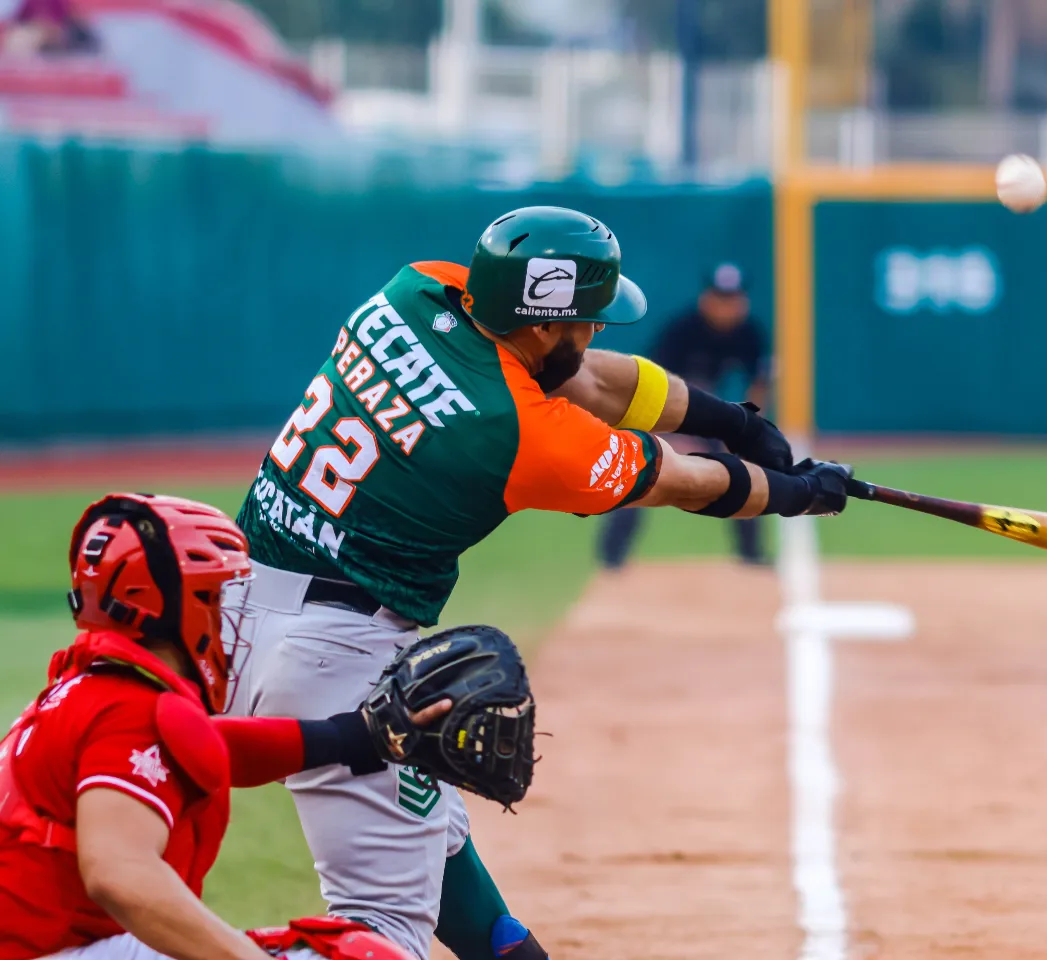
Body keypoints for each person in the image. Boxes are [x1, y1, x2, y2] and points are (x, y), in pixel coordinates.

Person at [228, 205, 852, 960]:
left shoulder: (415, 291)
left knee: (442, 844)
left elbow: (583, 376)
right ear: (539, 326)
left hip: (233, 607)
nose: (592, 334)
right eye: (584, 320)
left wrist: (736, 421)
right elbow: (683, 481)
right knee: (381, 937)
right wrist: (797, 492)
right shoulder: (524, 436)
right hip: (339, 654)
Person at [0, 493, 512, 960]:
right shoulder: (126, 711)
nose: (227, 619)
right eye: (213, 598)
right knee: (362, 955)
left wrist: (354, 736)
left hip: (52, 944)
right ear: (164, 607)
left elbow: (211, 747)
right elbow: (119, 876)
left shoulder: (90, 688)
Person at [597, 262, 771, 568]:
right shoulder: (682, 329)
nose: (727, 306)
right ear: (706, 299)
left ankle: (750, 553)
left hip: (706, 414)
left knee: (743, 468)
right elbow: (652, 384)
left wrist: (749, 429)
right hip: (659, 411)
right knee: (642, 470)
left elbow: (759, 382)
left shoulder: (748, 332)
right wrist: (677, 433)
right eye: (720, 298)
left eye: (733, 299)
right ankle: (612, 556)